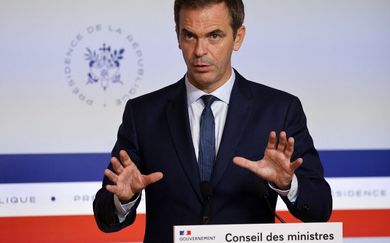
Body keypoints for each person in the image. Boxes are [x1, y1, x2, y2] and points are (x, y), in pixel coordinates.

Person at [93, 0, 332, 242]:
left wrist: (288, 185)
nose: (199, 51)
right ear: (178, 37)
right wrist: (123, 199)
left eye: (214, 36)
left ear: (238, 37)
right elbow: (104, 218)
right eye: (189, 36)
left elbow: (320, 208)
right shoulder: (142, 113)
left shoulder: (279, 109)